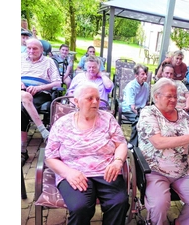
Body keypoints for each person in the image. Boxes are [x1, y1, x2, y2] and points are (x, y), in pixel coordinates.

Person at [45, 81, 129, 225]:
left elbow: (121, 143)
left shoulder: (108, 119)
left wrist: (118, 161)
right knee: (80, 207)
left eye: (97, 98)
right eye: (90, 98)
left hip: (106, 170)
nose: (95, 102)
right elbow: (50, 156)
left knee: (119, 202)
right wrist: (67, 173)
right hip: (73, 172)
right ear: (76, 101)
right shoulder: (62, 123)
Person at [136, 77, 189, 225]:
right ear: (156, 96)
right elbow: (158, 142)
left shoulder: (183, 115)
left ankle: (181, 222)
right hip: (155, 170)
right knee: (159, 205)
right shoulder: (148, 113)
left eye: (175, 96)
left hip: (183, 171)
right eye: (169, 96)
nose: (174, 99)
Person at [21, 38, 62, 166]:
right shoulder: (19, 58)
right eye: (29, 48)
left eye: (35, 48)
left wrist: (39, 87)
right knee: (23, 101)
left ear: (42, 50)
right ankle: (43, 131)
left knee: (21, 110)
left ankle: (22, 150)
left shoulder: (49, 62)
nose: (31, 51)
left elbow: (58, 82)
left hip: (41, 93)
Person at [121, 64, 150, 142]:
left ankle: (144, 142)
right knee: (138, 120)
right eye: (143, 74)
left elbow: (146, 102)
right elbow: (132, 106)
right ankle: (133, 144)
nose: (145, 76)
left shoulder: (146, 86)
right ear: (136, 75)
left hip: (141, 109)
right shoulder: (131, 86)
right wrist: (140, 114)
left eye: (146, 74)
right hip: (129, 109)